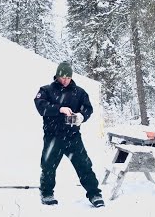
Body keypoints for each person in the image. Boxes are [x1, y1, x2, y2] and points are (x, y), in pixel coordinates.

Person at [34, 61, 105, 208]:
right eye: (62, 77)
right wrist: (59, 109)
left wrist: (81, 116)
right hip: (53, 136)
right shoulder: (46, 90)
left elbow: (88, 108)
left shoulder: (79, 92)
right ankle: (47, 193)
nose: (65, 80)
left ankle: (94, 194)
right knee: (48, 166)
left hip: (72, 136)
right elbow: (41, 106)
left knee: (84, 165)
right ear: (57, 76)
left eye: (68, 77)